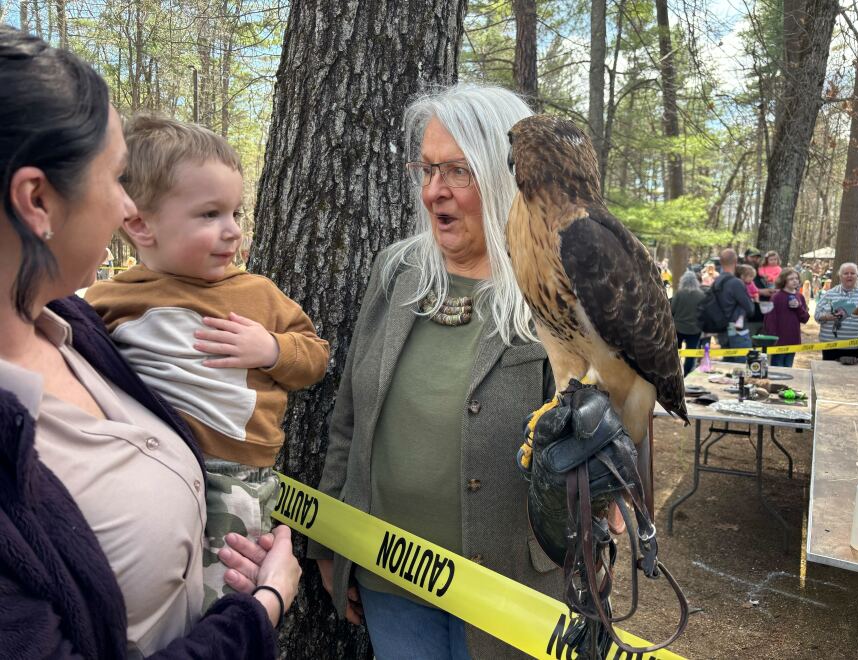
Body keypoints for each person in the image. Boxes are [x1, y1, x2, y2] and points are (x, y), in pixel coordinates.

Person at [0, 26, 299, 657]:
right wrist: (261, 611)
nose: (125, 210)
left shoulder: (74, 330)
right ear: (36, 201)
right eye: (116, 181)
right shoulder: (110, 308)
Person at [306, 84, 561, 659]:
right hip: (389, 575)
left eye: (456, 171)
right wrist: (328, 536)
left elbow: (593, 434)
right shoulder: (397, 271)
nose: (433, 191)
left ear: (507, 175)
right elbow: (349, 415)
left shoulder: (550, 284)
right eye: (425, 169)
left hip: (510, 586)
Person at [85, 114, 329, 608]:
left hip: (236, 478)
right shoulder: (110, 299)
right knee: (147, 592)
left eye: (236, 214)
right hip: (146, 468)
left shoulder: (256, 295)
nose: (232, 232)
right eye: (209, 215)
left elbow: (316, 357)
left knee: (225, 596)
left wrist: (272, 350)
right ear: (139, 224)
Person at [814, 262, 858, 361]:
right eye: (846, 273)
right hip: (830, 346)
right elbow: (817, 315)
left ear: (857, 275)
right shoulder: (830, 294)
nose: (849, 276)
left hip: (856, 347)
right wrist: (828, 316)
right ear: (840, 276)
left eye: (852, 273)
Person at [763, 268, 809, 367]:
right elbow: (769, 320)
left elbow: (805, 318)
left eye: (796, 278)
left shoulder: (800, 297)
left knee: (788, 367)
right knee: (777, 368)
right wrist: (773, 338)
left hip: (793, 339)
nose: (795, 281)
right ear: (783, 280)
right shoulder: (776, 297)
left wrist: (798, 307)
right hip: (778, 341)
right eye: (791, 279)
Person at [714, 248, 754, 363]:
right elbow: (750, 308)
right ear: (736, 262)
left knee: (728, 365)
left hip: (722, 331)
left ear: (721, 262)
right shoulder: (736, 283)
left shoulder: (716, 282)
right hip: (738, 331)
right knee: (743, 366)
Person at [670, 270, 705, 374]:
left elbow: (672, 310)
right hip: (695, 329)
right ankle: (686, 374)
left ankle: (675, 373)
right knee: (691, 353)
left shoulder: (679, 293)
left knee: (675, 352)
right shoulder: (701, 295)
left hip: (678, 328)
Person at [743, 247, 774, 337]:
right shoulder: (740, 271)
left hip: (764, 317)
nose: (755, 260)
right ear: (746, 257)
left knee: (763, 347)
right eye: (752, 257)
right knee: (747, 347)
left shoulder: (761, 272)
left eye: (757, 257)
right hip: (748, 319)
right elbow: (738, 289)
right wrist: (761, 292)